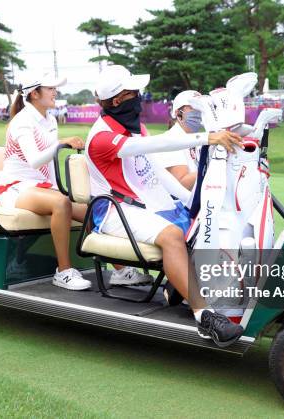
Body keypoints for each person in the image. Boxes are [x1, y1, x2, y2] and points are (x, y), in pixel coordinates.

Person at [85, 65, 246, 346]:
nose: (139, 97)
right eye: (132, 93)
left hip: (140, 206)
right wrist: (207, 137)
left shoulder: (133, 130)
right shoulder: (101, 137)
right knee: (172, 235)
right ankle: (205, 317)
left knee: (202, 223)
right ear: (116, 101)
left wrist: (192, 205)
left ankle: (181, 288)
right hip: (113, 211)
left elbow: (157, 176)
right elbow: (154, 147)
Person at [0, 73, 148, 291]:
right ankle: (64, 271)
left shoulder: (49, 119)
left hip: (42, 187)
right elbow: (34, 160)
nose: (55, 92)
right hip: (15, 187)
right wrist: (61, 143)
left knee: (92, 208)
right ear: (34, 93)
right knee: (61, 203)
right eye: (50, 88)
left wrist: (61, 144)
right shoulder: (22, 122)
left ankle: (120, 270)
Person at [154, 90, 203, 190]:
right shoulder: (171, 140)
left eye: (200, 108)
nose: (198, 112)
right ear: (178, 113)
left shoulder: (196, 138)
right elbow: (182, 184)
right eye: (193, 108)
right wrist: (212, 165)